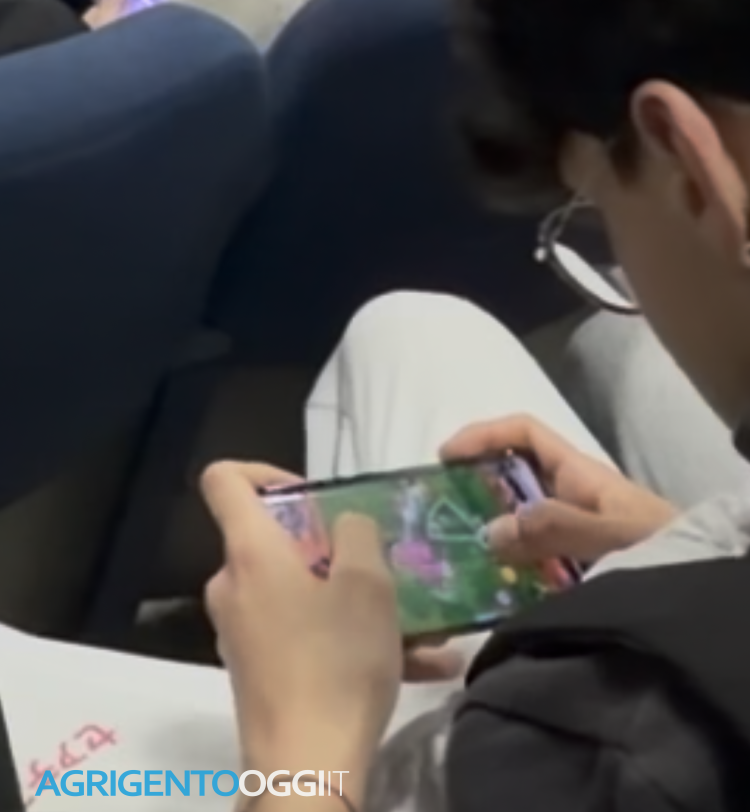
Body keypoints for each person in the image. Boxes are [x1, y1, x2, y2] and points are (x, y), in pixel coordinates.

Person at [200, 0, 750, 806]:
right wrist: (687, 551)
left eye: (598, 214)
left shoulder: (607, 733)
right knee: (410, 327)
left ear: (688, 167)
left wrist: (303, 743)